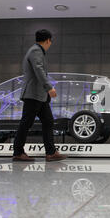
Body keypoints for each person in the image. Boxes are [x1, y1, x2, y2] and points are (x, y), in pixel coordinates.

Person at [12, 29, 67, 162]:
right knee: (26, 123)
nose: (50, 43)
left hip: (39, 96)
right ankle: (18, 152)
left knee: (48, 121)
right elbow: (38, 69)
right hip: (33, 94)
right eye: (50, 41)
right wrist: (49, 87)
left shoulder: (35, 50)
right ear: (48, 40)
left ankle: (51, 152)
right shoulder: (36, 51)